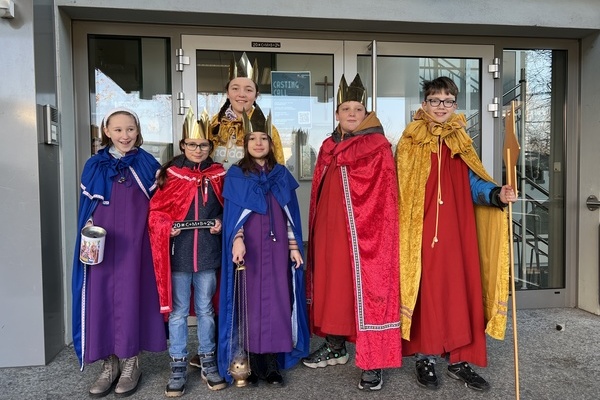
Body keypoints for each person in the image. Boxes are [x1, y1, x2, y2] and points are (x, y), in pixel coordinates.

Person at [395, 76, 517, 392]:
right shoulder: (410, 141)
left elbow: (473, 182)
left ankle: (459, 359)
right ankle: (425, 357)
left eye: (448, 101)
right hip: (421, 233)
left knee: (459, 291)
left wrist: (497, 194)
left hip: (457, 232)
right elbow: (400, 189)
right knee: (427, 293)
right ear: (424, 104)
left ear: (455, 105)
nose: (441, 106)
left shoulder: (461, 140)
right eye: (435, 100)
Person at [303, 74, 402, 391]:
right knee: (334, 288)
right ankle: (335, 346)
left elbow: (385, 197)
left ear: (366, 113)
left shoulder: (377, 147)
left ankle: (374, 362)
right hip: (329, 233)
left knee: (369, 291)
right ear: (337, 114)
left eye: (358, 109)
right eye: (346, 108)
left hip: (364, 236)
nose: (351, 113)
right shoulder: (328, 147)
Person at [71, 107, 167, 398]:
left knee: (132, 298)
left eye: (130, 129)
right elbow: (87, 207)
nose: (125, 135)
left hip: (136, 245)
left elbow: (161, 207)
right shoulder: (94, 164)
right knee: (100, 300)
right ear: (107, 132)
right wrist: (88, 230)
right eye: (118, 130)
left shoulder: (148, 163)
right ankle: (109, 364)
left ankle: (131, 362)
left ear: (138, 131)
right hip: (102, 245)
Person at [217, 110, 309, 387]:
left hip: (278, 248)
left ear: (271, 143)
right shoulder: (237, 175)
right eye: (252, 138)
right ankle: (252, 361)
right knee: (250, 303)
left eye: (264, 138)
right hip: (250, 250)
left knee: (279, 302)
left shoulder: (281, 175)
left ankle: (271, 363)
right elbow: (234, 215)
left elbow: (289, 216)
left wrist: (294, 247)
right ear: (245, 144)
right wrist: (237, 240)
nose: (258, 143)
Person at [148, 108, 227, 397]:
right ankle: (178, 364)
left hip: (207, 254)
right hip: (178, 255)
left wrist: (221, 222)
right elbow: (155, 212)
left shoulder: (219, 175)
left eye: (203, 145)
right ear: (183, 145)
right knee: (179, 312)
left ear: (210, 147)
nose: (198, 149)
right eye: (192, 144)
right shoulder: (169, 175)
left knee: (206, 309)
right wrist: (166, 227)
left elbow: (228, 209)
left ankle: (208, 360)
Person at [209, 52, 285, 169]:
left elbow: (278, 169)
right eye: (235, 88)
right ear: (228, 93)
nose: (241, 94)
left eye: (248, 90)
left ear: (256, 95)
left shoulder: (266, 129)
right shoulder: (214, 124)